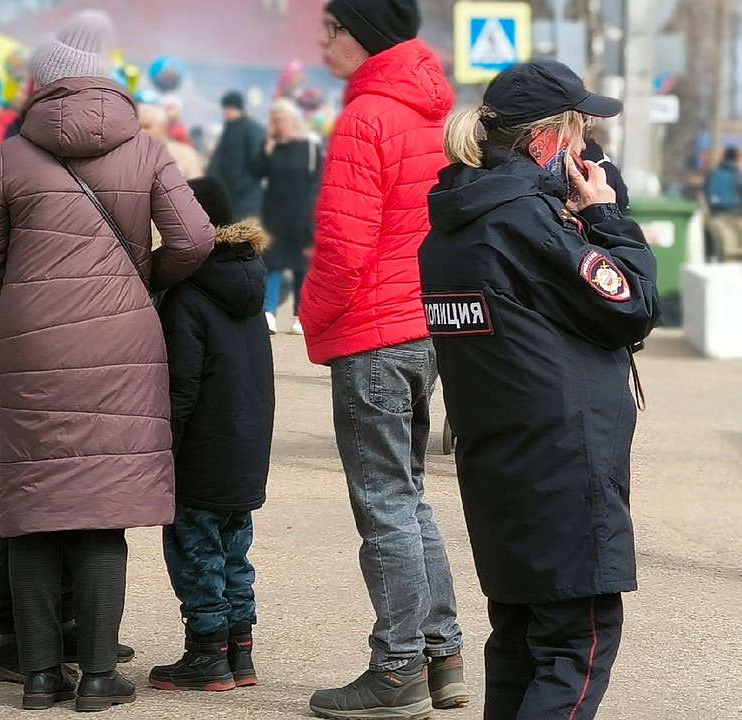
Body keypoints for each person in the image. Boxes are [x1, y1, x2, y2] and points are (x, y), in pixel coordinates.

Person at [0, 10, 214, 712]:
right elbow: (195, 237)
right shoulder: (143, 149)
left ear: (44, 87)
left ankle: (42, 678)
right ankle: (101, 677)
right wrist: (145, 276)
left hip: (32, 344)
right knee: (101, 509)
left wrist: (28, 289)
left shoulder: (13, 155)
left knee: (38, 504)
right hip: (122, 342)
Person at [425, 59, 659, 720]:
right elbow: (633, 304)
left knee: (519, 646)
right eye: (580, 134)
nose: (587, 152)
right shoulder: (526, 221)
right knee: (573, 650)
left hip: (497, 462)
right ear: (546, 140)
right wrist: (608, 219)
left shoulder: (455, 220)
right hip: (563, 466)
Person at [300, 2, 467, 718]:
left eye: (332, 27)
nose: (323, 38)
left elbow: (342, 246)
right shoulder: (430, 109)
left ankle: (396, 667)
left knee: (385, 505)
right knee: (410, 496)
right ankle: (443, 653)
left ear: (362, 34)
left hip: (373, 330)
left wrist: (309, 316)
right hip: (423, 326)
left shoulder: (367, 115)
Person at [149, 178, 274, 693]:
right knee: (234, 550)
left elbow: (181, 388)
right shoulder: (248, 286)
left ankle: (207, 653)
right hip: (244, 447)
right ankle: (239, 650)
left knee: (194, 549)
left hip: (200, 451)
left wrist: (162, 452)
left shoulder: (189, 297)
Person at [251, 99, 322, 336]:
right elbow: (256, 171)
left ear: (291, 120)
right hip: (274, 215)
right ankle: (268, 312)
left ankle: (299, 316)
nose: (276, 124)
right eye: (274, 120)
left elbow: (317, 182)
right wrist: (268, 146)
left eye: (280, 119)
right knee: (273, 264)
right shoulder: (273, 146)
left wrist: (312, 213)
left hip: (302, 215)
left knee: (301, 266)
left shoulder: (310, 147)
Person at [207, 90, 265, 221]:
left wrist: (243, 183)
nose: (225, 112)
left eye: (228, 108)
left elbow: (258, 161)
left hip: (247, 197)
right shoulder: (229, 129)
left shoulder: (252, 129)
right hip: (229, 194)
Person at [140, 104, 204, 180]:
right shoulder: (128, 155)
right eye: (137, 127)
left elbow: (197, 187)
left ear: (162, 127)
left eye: (146, 126)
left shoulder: (186, 156)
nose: (141, 131)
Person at [704, 145, 742, 213]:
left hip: (715, 210)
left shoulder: (713, 174)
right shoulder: (739, 176)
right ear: (736, 158)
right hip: (734, 211)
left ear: (724, 157)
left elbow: (705, 191)